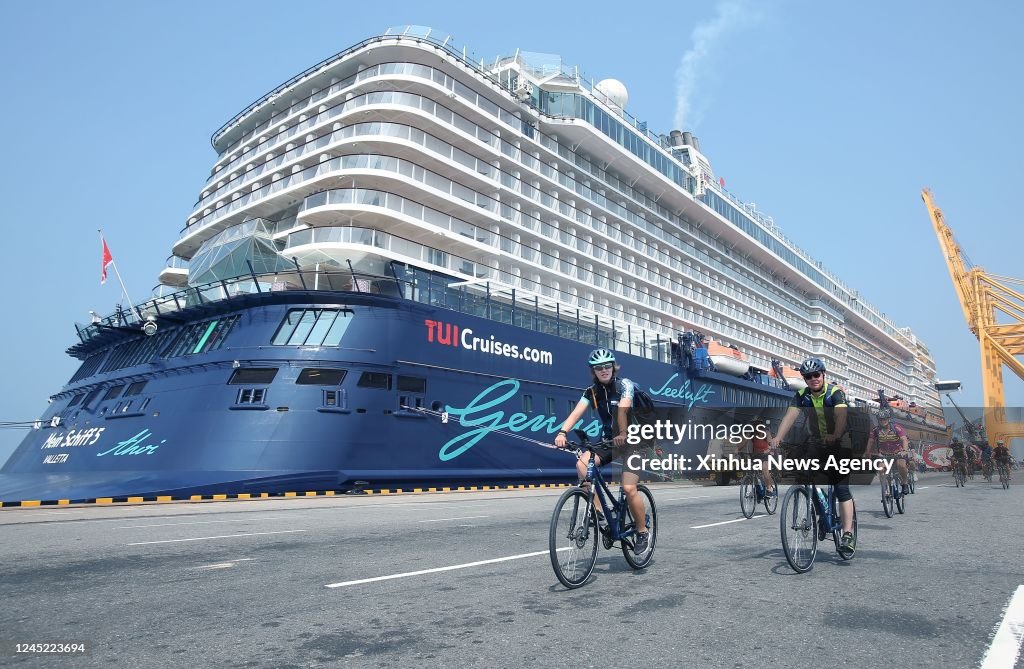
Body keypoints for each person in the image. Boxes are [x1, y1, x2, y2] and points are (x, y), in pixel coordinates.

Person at [554, 348, 650, 554]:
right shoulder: (592, 392)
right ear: (593, 371)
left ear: (614, 367)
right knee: (582, 463)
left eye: (607, 366)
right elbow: (576, 412)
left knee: (629, 488)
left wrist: (623, 431)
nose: (604, 370)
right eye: (599, 368)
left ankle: (642, 531)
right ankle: (597, 511)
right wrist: (562, 432)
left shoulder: (625, 385)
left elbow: (623, 408)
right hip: (610, 441)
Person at [769, 357, 856, 553]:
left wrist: (835, 435)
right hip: (817, 442)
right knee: (806, 476)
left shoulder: (835, 393)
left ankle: (848, 533)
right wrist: (777, 438)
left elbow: (841, 417)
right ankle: (821, 508)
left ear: (823, 375)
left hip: (841, 442)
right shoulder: (802, 396)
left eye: (816, 374)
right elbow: (790, 417)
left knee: (841, 488)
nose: (813, 379)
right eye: (808, 376)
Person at [865, 410, 910, 495]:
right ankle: (885, 490)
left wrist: (904, 451)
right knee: (881, 469)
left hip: (898, 452)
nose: (883, 421)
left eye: (885, 419)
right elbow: (870, 441)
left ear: (888, 419)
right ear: (878, 420)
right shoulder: (876, 430)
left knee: (901, 465)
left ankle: (904, 483)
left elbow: (904, 439)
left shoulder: (896, 428)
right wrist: (867, 452)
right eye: (881, 419)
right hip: (884, 454)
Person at [748, 418, 775, 496]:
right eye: (753, 424)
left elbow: (770, 443)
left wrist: (768, 449)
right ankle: (756, 490)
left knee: (764, 469)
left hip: (765, 455)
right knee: (751, 471)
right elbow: (746, 442)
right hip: (756, 455)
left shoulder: (766, 433)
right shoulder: (752, 434)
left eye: (756, 423)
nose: (754, 425)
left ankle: (769, 489)